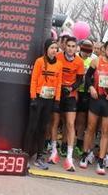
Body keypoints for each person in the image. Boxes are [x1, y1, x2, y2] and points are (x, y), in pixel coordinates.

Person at [80, 40, 108, 175]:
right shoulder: (96, 61)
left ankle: (101, 159)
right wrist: (91, 87)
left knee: (106, 131)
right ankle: (85, 154)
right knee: (90, 128)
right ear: (104, 49)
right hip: (96, 98)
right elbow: (87, 77)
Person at [48, 36, 85, 171]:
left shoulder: (79, 61)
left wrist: (71, 88)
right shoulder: (57, 56)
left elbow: (80, 80)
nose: (70, 48)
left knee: (70, 124)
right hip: (57, 93)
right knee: (55, 123)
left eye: (73, 46)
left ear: (76, 48)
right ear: (65, 47)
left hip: (70, 95)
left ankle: (69, 157)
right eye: (68, 46)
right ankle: (54, 152)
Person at [26, 40, 62, 170]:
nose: (54, 50)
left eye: (56, 48)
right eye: (52, 48)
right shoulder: (40, 61)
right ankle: (25, 156)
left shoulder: (59, 64)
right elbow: (34, 79)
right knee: (32, 127)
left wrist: (57, 100)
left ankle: (39, 157)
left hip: (49, 99)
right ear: (46, 49)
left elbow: (59, 83)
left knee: (43, 128)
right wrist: (33, 97)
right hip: (38, 98)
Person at [74, 39, 95, 157]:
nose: (86, 54)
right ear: (81, 49)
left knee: (82, 120)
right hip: (74, 91)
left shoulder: (92, 61)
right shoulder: (76, 58)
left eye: (89, 51)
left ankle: (79, 143)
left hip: (86, 93)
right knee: (70, 120)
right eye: (85, 51)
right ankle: (66, 143)